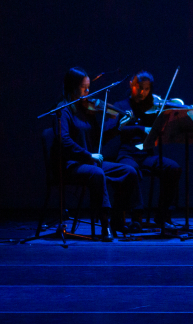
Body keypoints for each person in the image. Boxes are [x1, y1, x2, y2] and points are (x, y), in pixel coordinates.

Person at [52, 67, 138, 240]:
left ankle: (116, 221)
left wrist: (118, 126)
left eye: (88, 87)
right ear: (73, 87)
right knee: (97, 172)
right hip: (71, 165)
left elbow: (100, 139)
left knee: (129, 172)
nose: (88, 92)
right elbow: (64, 141)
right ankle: (104, 225)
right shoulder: (63, 110)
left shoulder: (86, 110)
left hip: (89, 163)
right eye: (84, 88)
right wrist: (88, 155)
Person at [112, 71, 183, 237]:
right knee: (131, 170)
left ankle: (163, 215)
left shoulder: (154, 106)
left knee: (173, 168)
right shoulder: (120, 106)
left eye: (147, 89)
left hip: (146, 154)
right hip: (127, 153)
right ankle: (136, 216)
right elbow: (119, 131)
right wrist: (141, 128)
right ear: (131, 84)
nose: (143, 92)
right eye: (139, 88)